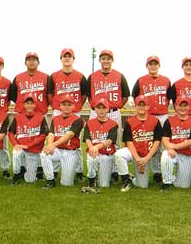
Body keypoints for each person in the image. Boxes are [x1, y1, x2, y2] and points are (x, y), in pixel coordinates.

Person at [86, 49, 130, 182]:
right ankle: (95, 166)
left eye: (108, 58)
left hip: (113, 112)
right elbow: (88, 95)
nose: (106, 60)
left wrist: (116, 107)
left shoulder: (119, 76)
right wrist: (94, 106)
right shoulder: (92, 76)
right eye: (103, 58)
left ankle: (115, 170)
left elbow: (125, 96)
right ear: (99, 60)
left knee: (114, 141)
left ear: (112, 60)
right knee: (95, 139)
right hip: (96, 111)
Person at [48, 48, 88, 182]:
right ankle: (53, 170)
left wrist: (76, 107)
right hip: (59, 109)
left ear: (73, 59)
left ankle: (78, 171)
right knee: (55, 137)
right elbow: (49, 94)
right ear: (61, 59)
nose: (67, 58)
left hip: (74, 109)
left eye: (69, 56)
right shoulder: (53, 76)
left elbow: (83, 95)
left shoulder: (80, 76)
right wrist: (56, 105)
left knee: (74, 141)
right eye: (64, 56)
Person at [132, 55, 171, 183]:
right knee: (149, 143)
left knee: (161, 144)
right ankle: (152, 170)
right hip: (148, 116)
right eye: (150, 64)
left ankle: (160, 171)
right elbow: (135, 96)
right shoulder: (141, 80)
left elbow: (170, 97)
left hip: (162, 115)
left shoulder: (166, 80)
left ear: (159, 66)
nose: (153, 66)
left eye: (155, 63)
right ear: (147, 66)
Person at [168, 57, 191, 183]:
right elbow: (173, 101)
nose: (188, 67)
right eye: (186, 65)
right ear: (182, 67)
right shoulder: (177, 84)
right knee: (178, 142)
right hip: (182, 117)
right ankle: (175, 170)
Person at [114, 95, 162, 192]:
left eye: (144, 105)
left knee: (143, 185)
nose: (141, 107)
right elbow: (129, 142)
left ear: (148, 106)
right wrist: (138, 159)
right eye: (139, 105)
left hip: (146, 155)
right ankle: (125, 179)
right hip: (133, 152)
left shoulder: (155, 121)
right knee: (119, 154)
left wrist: (146, 159)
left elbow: (157, 142)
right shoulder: (130, 121)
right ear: (135, 107)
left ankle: (132, 178)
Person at [40, 94, 84, 188]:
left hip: (70, 152)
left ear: (73, 106)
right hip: (57, 150)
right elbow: (51, 133)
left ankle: (70, 175)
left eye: (69, 104)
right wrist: (50, 146)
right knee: (44, 154)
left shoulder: (78, 120)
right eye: (64, 104)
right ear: (60, 106)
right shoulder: (55, 119)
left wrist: (53, 145)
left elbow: (69, 135)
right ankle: (50, 181)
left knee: (66, 184)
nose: (66, 107)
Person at [160, 96, 191, 191]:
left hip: (186, 153)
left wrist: (175, 146)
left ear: (189, 107)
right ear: (175, 106)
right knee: (165, 156)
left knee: (183, 185)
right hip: (172, 152)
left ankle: (174, 177)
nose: (182, 108)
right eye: (180, 105)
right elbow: (164, 138)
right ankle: (167, 182)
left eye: (185, 105)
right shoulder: (169, 121)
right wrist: (169, 148)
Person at [9, 94, 49, 185]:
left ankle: (30, 171)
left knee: (30, 180)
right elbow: (10, 133)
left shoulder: (41, 117)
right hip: (21, 147)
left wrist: (28, 145)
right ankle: (16, 175)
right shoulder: (18, 117)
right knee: (16, 153)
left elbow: (43, 136)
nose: (29, 105)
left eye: (31, 103)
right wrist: (15, 144)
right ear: (24, 105)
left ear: (35, 105)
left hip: (33, 150)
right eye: (27, 103)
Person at [83, 98, 118, 192]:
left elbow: (110, 141)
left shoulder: (113, 124)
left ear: (108, 109)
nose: (101, 110)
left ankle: (105, 176)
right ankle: (91, 179)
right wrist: (91, 148)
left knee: (104, 185)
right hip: (94, 153)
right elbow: (87, 138)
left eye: (104, 107)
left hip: (107, 154)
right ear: (95, 109)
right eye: (99, 107)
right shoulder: (89, 123)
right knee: (91, 159)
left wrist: (96, 147)